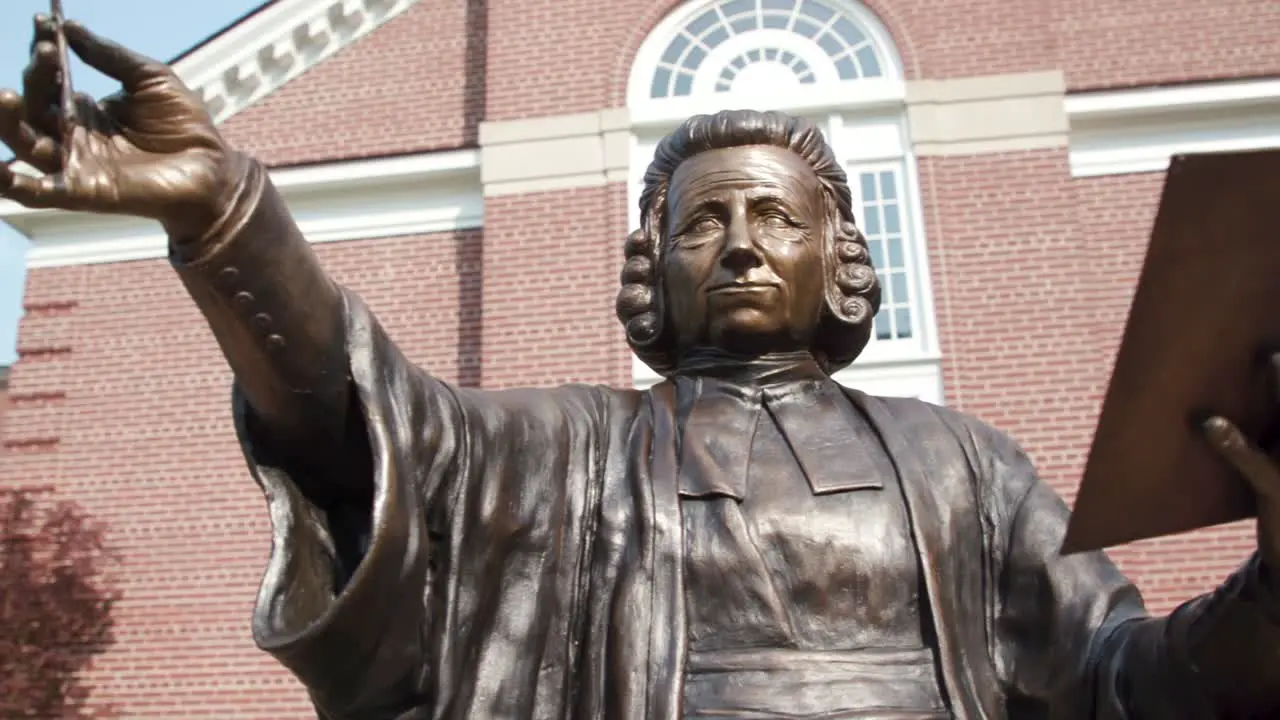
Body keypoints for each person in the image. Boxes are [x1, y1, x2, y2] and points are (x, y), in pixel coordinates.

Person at [3, 15, 1280, 720]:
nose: (735, 244)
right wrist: (227, 216)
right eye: (699, 221)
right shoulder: (564, 450)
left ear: (843, 255)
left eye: (775, 217)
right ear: (652, 266)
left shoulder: (965, 466)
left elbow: (1127, 684)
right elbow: (364, 425)